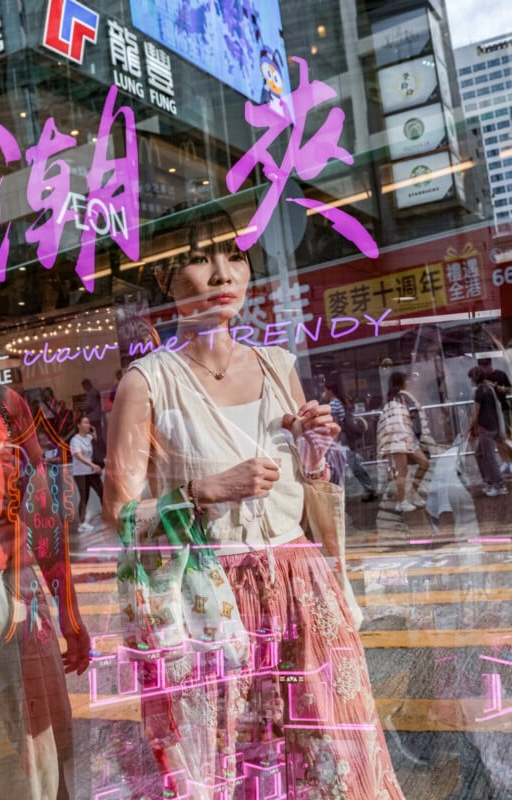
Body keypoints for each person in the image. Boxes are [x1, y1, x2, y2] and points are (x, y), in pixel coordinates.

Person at [103, 208, 405, 800]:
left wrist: (313, 452)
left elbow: (308, 485)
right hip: (214, 599)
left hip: (301, 585)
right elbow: (120, 515)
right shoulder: (148, 382)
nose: (222, 274)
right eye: (200, 259)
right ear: (165, 279)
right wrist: (202, 491)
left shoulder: (277, 364)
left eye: (234, 257)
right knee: (235, 762)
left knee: (330, 756)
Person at [0, 362, 90, 799]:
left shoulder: (5, 407)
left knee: (34, 762)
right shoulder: (3, 406)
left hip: (9, 595)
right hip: (6, 594)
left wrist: (70, 616)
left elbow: (41, 513)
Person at [377, 371, 430, 513]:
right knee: (403, 471)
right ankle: (401, 502)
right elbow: (412, 414)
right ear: (402, 383)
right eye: (406, 380)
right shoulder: (403, 398)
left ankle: (411, 493)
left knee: (423, 463)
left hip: (405, 437)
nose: (409, 382)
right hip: (400, 438)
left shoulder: (395, 399)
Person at [323, 373, 377, 501]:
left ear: (330, 391)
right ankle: (368, 488)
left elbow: (335, 425)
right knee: (353, 464)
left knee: (345, 466)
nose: (323, 393)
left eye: (325, 390)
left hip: (341, 441)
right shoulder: (341, 402)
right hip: (347, 440)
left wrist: (333, 444)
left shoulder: (333, 404)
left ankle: (337, 494)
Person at [467, 366, 508, 497]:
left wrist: (468, 428)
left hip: (485, 428)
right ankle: (490, 481)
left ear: (475, 378)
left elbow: (476, 412)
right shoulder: (489, 389)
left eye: (471, 378)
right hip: (492, 427)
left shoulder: (480, 392)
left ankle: (499, 485)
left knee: (488, 457)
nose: (471, 381)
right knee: (480, 454)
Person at [477, 357, 512, 473]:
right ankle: (505, 461)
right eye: (481, 367)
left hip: (502, 408)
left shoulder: (500, 374)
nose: (484, 369)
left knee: (506, 436)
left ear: (490, 364)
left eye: (485, 366)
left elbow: (509, 389)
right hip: (490, 412)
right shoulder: (482, 377)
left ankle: (510, 461)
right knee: (498, 438)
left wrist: (496, 387)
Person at [70, 414, 104, 532]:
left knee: (102, 492)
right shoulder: (75, 440)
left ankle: (108, 516)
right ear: (78, 425)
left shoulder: (89, 437)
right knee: (84, 497)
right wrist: (93, 465)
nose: (88, 425)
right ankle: (82, 523)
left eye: (88, 422)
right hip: (80, 473)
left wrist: (95, 437)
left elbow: (98, 450)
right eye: (85, 422)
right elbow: (79, 456)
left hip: (91, 472)